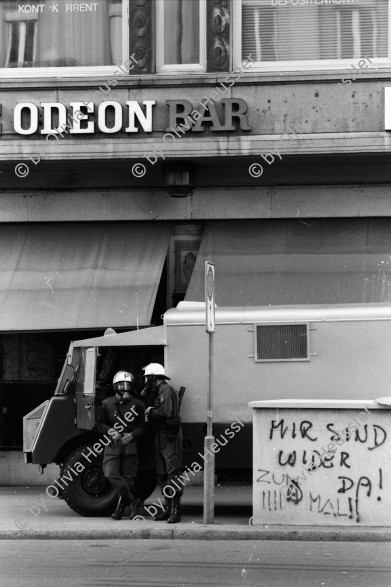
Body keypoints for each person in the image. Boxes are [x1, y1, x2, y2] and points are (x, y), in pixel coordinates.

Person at [97, 371, 146, 521]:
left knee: (128, 477)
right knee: (110, 473)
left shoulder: (138, 404)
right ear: (115, 387)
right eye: (121, 385)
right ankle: (133, 500)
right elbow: (99, 425)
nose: (125, 389)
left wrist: (132, 435)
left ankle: (119, 508)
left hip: (130, 444)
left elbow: (144, 426)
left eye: (128, 385)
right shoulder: (106, 404)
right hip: (113, 444)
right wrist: (110, 431)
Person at [143, 363, 183, 524]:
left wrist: (150, 411)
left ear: (153, 377)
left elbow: (165, 412)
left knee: (173, 473)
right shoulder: (162, 391)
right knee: (162, 473)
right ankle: (168, 509)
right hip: (161, 436)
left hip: (168, 436)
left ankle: (175, 511)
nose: (146, 381)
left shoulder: (166, 390)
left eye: (147, 378)